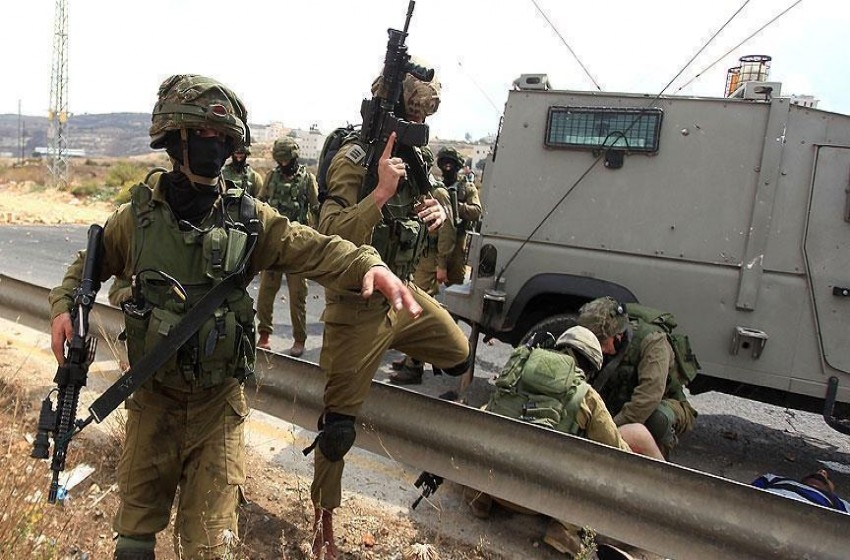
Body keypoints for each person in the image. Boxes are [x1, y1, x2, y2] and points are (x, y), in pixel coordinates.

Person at [48, 74, 419, 560]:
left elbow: (315, 249)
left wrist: (368, 264)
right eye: (202, 134)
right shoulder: (137, 218)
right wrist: (64, 306)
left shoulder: (250, 218)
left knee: (210, 549)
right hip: (153, 402)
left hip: (218, 410)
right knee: (134, 540)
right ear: (176, 139)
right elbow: (87, 267)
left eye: (221, 137)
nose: (213, 145)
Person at [313, 63, 471, 558]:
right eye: (412, 115)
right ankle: (322, 531)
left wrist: (441, 209)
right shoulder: (355, 157)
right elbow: (328, 234)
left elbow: (434, 196)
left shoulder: (415, 157)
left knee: (460, 354)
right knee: (337, 429)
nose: (419, 125)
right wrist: (380, 193)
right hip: (358, 306)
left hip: (403, 295)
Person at [463, 326, 664, 556]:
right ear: (590, 368)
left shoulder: (515, 371)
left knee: (487, 415)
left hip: (492, 480)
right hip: (537, 502)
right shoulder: (586, 395)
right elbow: (618, 453)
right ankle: (564, 528)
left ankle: (478, 495)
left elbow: (486, 417)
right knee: (598, 463)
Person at [577, 296, 698, 458]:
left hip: (660, 403)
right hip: (619, 399)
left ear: (618, 336)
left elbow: (647, 399)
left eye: (602, 342)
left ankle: (655, 460)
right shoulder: (597, 344)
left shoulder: (653, 343)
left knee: (658, 419)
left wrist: (607, 431)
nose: (598, 348)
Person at [390, 146, 457, 384]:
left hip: (430, 258)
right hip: (417, 255)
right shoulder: (418, 188)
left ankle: (415, 367)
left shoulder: (437, 193)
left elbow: (447, 231)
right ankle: (410, 357)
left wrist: (441, 264)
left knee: (416, 309)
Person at [254, 137, 320, 356]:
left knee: (297, 296)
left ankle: (299, 339)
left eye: (286, 160)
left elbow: (316, 208)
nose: (283, 164)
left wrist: (314, 241)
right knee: (266, 294)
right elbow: (260, 204)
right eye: (279, 160)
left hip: (298, 247)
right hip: (273, 245)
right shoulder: (271, 177)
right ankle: (264, 334)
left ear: (294, 157)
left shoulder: (307, 179)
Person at [436, 146, 482, 285]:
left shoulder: (467, 187)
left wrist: (457, 207)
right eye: (445, 163)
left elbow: (476, 211)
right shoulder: (437, 187)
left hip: (458, 243)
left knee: (455, 285)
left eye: (451, 163)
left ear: (457, 166)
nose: (447, 167)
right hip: (435, 244)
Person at [752, 469, 849, 512]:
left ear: (831, 491)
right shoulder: (773, 478)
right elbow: (749, 493)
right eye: (814, 473)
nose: (822, 472)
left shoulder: (840, 503)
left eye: (828, 478)